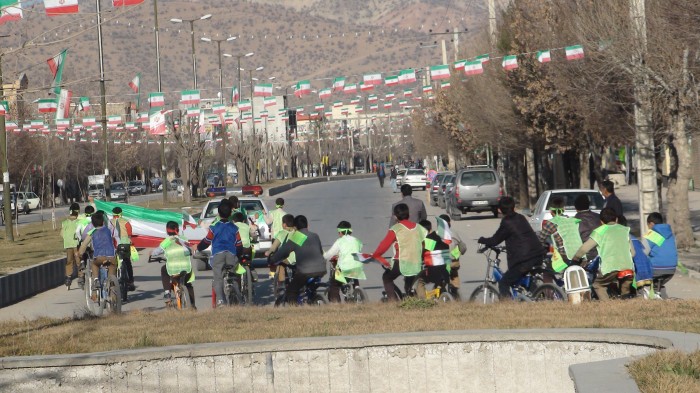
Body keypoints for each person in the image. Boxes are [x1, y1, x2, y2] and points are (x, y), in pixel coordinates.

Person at [478, 197, 545, 299]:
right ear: (514, 207)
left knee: (504, 283)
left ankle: (508, 307)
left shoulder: (507, 222)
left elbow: (495, 240)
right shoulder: (521, 217)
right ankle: (534, 298)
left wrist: (482, 240)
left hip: (524, 260)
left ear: (499, 210)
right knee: (523, 279)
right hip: (538, 255)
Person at [572, 207, 636, 301]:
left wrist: (575, 258)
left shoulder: (600, 231)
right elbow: (633, 253)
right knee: (624, 290)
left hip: (610, 267)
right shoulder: (624, 230)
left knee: (598, 285)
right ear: (617, 219)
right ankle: (626, 305)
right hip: (628, 267)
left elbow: (584, 248)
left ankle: (607, 306)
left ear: (601, 222)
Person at [372, 203, 428, 301]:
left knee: (387, 278)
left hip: (401, 262)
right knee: (410, 280)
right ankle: (410, 297)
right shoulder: (419, 228)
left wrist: (376, 255)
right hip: (417, 262)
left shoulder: (396, 229)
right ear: (409, 215)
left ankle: (393, 302)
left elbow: (384, 245)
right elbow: (425, 244)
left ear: (395, 217)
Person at [268, 215, 327, 304]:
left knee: (291, 291)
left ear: (295, 227)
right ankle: (313, 300)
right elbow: (320, 251)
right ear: (308, 226)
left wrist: (272, 259)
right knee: (310, 288)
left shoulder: (297, 237)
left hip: (305, 271)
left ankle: (294, 312)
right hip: (321, 269)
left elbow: (283, 252)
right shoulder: (315, 236)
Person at [197, 200, 243, 307]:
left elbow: (206, 241)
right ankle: (239, 299)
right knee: (233, 275)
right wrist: (238, 256)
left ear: (218, 213)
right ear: (231, 214)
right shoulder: (234, 228)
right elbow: (239, 245)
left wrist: (199, 247)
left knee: (218, 278)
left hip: (218, 255)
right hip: (231, 255)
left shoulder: (214, 227)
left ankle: (221, 300)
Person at [151, 221, 196, 309]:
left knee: (164, 270)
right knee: (188, 285)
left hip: (173, 268)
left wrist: (151, 253)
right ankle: (193, 306)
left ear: (167, 231)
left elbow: (157, 251)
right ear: (177, 229)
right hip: (186, 267)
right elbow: (190, 250)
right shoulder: (183, 239)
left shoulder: (167, 241)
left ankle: (167, 292)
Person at [77, 212, 120, 301]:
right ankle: (113, 293)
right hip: (111, 256)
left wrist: (80, 253)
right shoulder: (109, 230)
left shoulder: (92, 232)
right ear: (103, 222)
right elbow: (117, 238)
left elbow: (83, 246)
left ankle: (96, 279)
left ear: (92, 223)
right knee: (112, 271)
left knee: (94, 265)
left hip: (99, 257)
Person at [536, 196, 583, 273]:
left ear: (551, 211)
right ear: (563, 209)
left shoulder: (551, 223)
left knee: (546, 271)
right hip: (579, 254)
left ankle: (549, 285)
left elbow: (540, 240)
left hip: (564, 255)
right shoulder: (572, 220)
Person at [323, 221, 364, 302]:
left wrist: (324, 256)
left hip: (344, 268)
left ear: (341, 232)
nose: (339, 234)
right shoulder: (357, 240)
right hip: (356, 267)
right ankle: (357, 289)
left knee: (334, 284)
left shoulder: (340, 241)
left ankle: (337, 305)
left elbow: (329, 254)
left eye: (339, 232)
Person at [414, 220, 450, 299]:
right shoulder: (441, 239)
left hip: (434, 272)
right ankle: (438, 296)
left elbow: (422, 255)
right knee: (439, 285)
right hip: (446, 272)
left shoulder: (429, 240)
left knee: (420, 281)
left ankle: (423, 301)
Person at [645, 212, 678, 294]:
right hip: (671, 268)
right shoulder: (671, 234)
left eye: (648, 225)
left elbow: (643, 252)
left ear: (651, 224)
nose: (648, 228)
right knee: (658, 287)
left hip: (656, 268)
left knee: (641, 278)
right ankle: (662, 299)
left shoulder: (651, 234)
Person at [439, 214, 467, 298]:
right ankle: (456, 296)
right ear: (449, 222)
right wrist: (455, 255)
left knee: (439, 280)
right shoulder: (454, 233)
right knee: (454, 278)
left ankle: (440, 294)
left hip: (442, 264)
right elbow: (463, 248)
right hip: (454, 263)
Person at [265, 214, 296, 286]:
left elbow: (274, 247)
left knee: (280, 265)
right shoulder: (298, 233)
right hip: (298, 258)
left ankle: (281, 286)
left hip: (286, 258)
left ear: (284, 225)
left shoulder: (282, 233)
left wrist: (268, 252)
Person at [111, 207, 136, 295]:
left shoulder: (110, 222)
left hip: (115, 245)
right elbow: (130, 234)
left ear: (113, 214)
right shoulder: (126, 222)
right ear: (121, 213)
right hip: (125, 245)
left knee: (114, 263)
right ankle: (131, 281)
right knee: (128, 262)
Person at [574, 194, 601, 263]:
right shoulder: (599, 217)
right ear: (589, 205)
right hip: (602, 254)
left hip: (583, 257)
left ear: (576, 208)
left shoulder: (573, 222)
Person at [60, 203, 81, 288]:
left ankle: (68, 277)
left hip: (68, 245)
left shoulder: (64, 222)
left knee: (69, 261)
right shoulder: (79, 222)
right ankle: (81, 275)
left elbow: (61, 234)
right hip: (77, 244)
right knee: (79, 261)